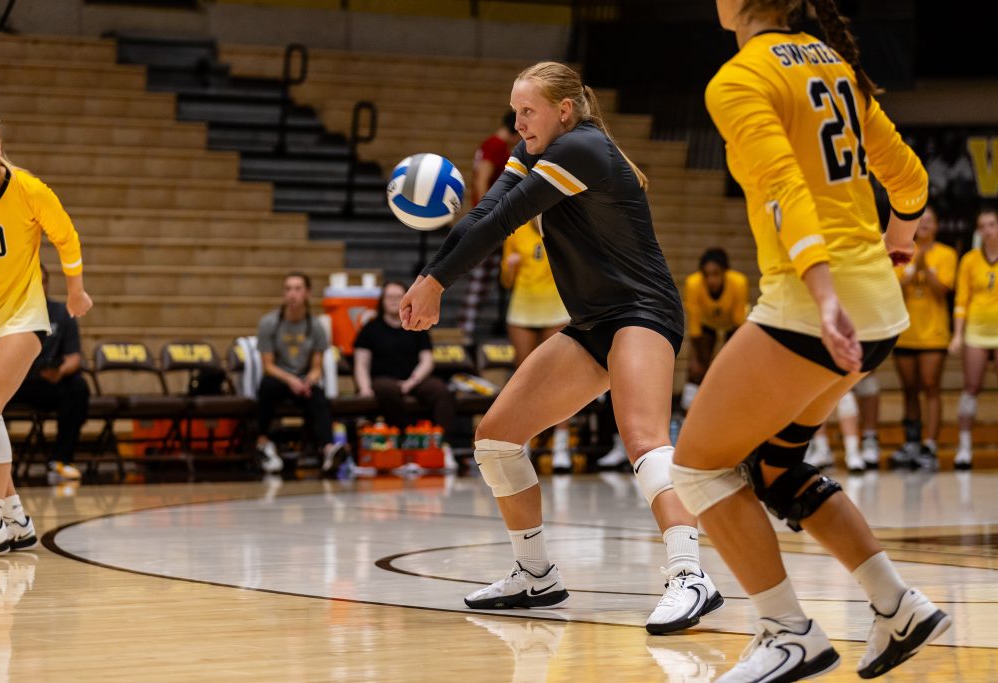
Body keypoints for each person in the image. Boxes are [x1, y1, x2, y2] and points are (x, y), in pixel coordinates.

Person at [669, 2, 950, 680]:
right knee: (774, 469)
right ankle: (897, 603)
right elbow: (910, 180)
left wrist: (825, 297)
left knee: (699, 468)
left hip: (812, 308)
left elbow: (783, 187)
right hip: (878, 310)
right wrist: (899, 245)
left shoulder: (740, 77)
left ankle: (786, 630)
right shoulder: (835, 65)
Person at [400, 62, 722, 634]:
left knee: (644, 438)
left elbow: (504, 217)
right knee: (496, 438)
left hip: (643, 313)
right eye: (516, 110)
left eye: (528, 111)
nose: (518, 121)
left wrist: (435, 281)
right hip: (593, 320)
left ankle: (690, 576)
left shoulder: (583, 149)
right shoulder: (536, 154)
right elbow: (483, 212)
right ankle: (535, 573)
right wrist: (433, 273)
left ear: (564, 111)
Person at [0, 109, 93, 557]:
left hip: (22, 314)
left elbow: (66, 235)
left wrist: (76, 291)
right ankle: (14, 516)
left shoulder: (27, 189)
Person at [353, 281, 457, 466]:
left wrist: (412, 381)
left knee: (441, 391)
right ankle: (403, 442)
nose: (393, 301)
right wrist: (364, 388)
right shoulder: (370, 329)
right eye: (389, 297)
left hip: (414, 379)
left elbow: (427, 360)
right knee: (388, 390)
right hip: (383, 380)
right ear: (382, 301)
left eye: (398, 297)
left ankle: (441, 445)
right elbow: (361, 363)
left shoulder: (417, 326)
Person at [500, 222, 572, 471]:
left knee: (559, 377)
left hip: (555, 307)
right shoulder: (516, 232)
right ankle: (524, 443)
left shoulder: (561, 227)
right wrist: (510, 268)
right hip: (523, 307)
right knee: (525, 378)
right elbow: (506, 280)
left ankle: (561, 447)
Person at [254, 272, 341, 474]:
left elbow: (317, 366)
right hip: (279, 378)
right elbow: (268, 365)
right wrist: (291, 380)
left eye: (297, 289)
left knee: (319, 397)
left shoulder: (316, 326)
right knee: (266, 387)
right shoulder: (269, 323)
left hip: (303, 382)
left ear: (307, 293)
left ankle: (328, 450)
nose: (292, 294)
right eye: (288, 289)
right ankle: (263, 443)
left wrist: (309, 380)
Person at [891, 205, 957, 470]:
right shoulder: (901, 252)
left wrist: (924, 267)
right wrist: (913, 265)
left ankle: (930, 443)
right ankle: (911, 441)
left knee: (931, 386)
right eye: (921, 221)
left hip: (934, 334)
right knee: (909, 389)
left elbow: (943, 290)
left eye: (930, 220)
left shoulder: (947, 254)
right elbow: (895, 288)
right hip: (906, 332)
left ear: (937, 226)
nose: (925, 225)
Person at [9, 264, 90, 481]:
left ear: (47, 284)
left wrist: (60, 372)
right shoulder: (10, 312)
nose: (39, 285)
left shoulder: (62, 313)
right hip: (15, 381)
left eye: (42, 281)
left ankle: (60, 460)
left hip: (47, 381)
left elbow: (74, 357)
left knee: (78, 388)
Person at [458, 112, 522, 338]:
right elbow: (481, 180)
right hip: (489, 220)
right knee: (481, 277)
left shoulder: (492, 145)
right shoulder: (495, 146)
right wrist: (488, 214)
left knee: (484, 278)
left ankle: (466, 328)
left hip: (489, 218)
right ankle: (464, 330)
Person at [949, 207, 998, 470]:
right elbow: (961, 300)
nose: (988, 230)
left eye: (992, 224)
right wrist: (957, 334)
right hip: (976, 332)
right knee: (971, 387)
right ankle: (964, 447)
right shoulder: (969, 260)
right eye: (983, 226)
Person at [680, 247, 749, 411]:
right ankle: (689, 408)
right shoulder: (693, 284)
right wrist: (696, 360)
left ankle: (729, 404)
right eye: (707, 274)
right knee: (696, 367)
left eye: (716, 273)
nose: (711, 280)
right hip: (707, 324)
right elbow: (695, 325)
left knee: (730, 366)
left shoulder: (738, 283)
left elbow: (740, 323)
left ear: (725, 272)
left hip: (732, 324)